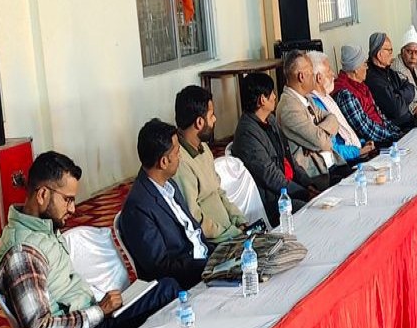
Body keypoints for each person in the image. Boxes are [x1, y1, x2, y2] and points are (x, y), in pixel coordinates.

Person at [0, 151, 178, 328]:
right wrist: (99, 311)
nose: (73, 209)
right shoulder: (21, 253)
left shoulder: (42, 228)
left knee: (162, 288)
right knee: (166, 291)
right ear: (42, 194)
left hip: (90, 322)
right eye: (67, 200)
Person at [117, 118, 210, 289]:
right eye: (177, 152)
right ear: (164, 162)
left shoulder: (169, 185)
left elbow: (192, 231)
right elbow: (160, 266)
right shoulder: (138, 208)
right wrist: (208, 266)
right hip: (188, 280)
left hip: (205, 260)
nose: (180, 156)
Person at [232, 72, 321, 226]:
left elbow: (288, 158)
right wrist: (304, 193)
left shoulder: (270, 120)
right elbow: (270, 176)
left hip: (290, 187)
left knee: (325, 191)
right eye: (272, 93)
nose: (275, 96)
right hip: (274, 200)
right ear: (262, 100)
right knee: (312, 212)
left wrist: (308, 184)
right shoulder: (247, 134)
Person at [172, 85, 245, 243]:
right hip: (215, 243)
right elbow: (194, 218)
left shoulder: (203, 148)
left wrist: (238, 219)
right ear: (199, 122)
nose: (215, 119)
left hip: (230, 233)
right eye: (211, 116)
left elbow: (218, 192)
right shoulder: (180, 163)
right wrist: (230, 233)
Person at [275, 50, 343, 178]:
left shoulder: (307, 98)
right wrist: (321, 138)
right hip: (317, 175)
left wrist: (318, 132)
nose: (314, 76)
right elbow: (322, 143)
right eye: (311, 72)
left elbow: (333, 119)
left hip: (333, 164)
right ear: (301, 77)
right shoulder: (288, 108)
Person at [309, 52, 373, 163]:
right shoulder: (317, 106)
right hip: (344, 164)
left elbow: (344, 135)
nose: (333, 75)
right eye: (329, 70)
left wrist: (361, 143)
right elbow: (332, 149)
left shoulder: (326, 98)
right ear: (319, 78)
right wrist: (358, 151)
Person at [334, 44, 403, 146]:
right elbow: (365, 129)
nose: (367, 67)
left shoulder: (361, 85)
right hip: (373, 144)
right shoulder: (345, 94)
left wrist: (396, 131)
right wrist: (392, 136)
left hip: (384, 135)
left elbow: (379, 114)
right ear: (356, 69)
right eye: (365, 64)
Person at [366, 31, 417, 128]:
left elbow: (410, 88)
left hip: (409, 121)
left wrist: (397, 95)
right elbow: (397, 109)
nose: (392, 54)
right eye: (390, 51)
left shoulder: (388, 70)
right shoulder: (373, 79)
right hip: (398, 129)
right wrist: (400, 97)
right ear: (379, 54)